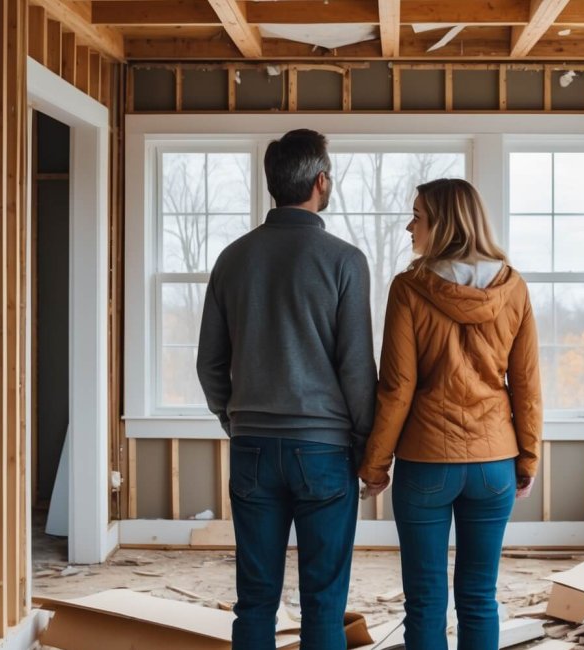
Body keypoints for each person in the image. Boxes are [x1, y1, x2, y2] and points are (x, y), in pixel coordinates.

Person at [197, 128, 377, 650]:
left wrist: (234, 419)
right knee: (324, 600)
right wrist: (367, 445)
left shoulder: (233, 258)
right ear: (321, 181)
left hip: (252, 445)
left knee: (255, 598)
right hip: (324, 451)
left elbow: (210, 362)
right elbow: (356, 370)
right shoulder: (344, 260)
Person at [358, 178, 542, 650]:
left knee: (424, 601)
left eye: (417, 216)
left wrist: (375, 464)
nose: (408, 226)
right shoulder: (513, 287)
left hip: (426, 464)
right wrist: (528, 459)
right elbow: (526, 386)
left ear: (441, 223)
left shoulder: (410, 287)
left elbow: (397, 387)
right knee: (480, 597)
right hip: (493, 463)